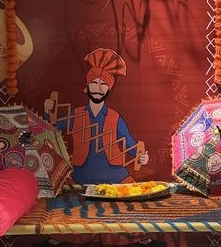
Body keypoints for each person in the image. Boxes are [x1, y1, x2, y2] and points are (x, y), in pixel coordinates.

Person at [44, 48, 149, 185]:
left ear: (108, 90)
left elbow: (130, 143)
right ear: (87, 87)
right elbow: (50, 130)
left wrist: (141, 157)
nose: (98, 89)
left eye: (103, 84)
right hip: (81, 177)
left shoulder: (115, 117)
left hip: (116, 177)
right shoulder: (75, 115)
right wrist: (47, 111)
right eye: (94, 83)